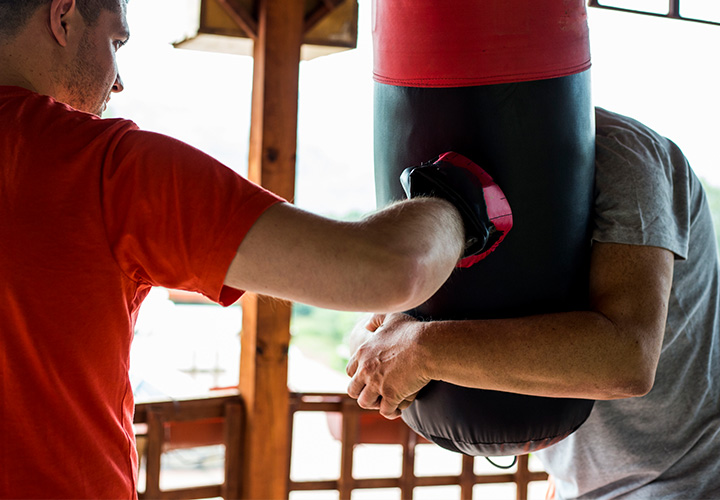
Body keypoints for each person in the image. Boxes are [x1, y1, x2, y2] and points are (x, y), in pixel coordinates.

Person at [0, 0, 489, 497]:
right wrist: (459, 201)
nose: (119, 79)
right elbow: (391, 267)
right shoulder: (103, 168)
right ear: (62, 17)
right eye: (115, 42)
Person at [347, 107, 720, 499]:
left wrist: (422, 351)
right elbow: (389, 332)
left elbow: (628, 359)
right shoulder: (464, 158)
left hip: (687, 482)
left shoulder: (623, 154)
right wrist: (380, 346)